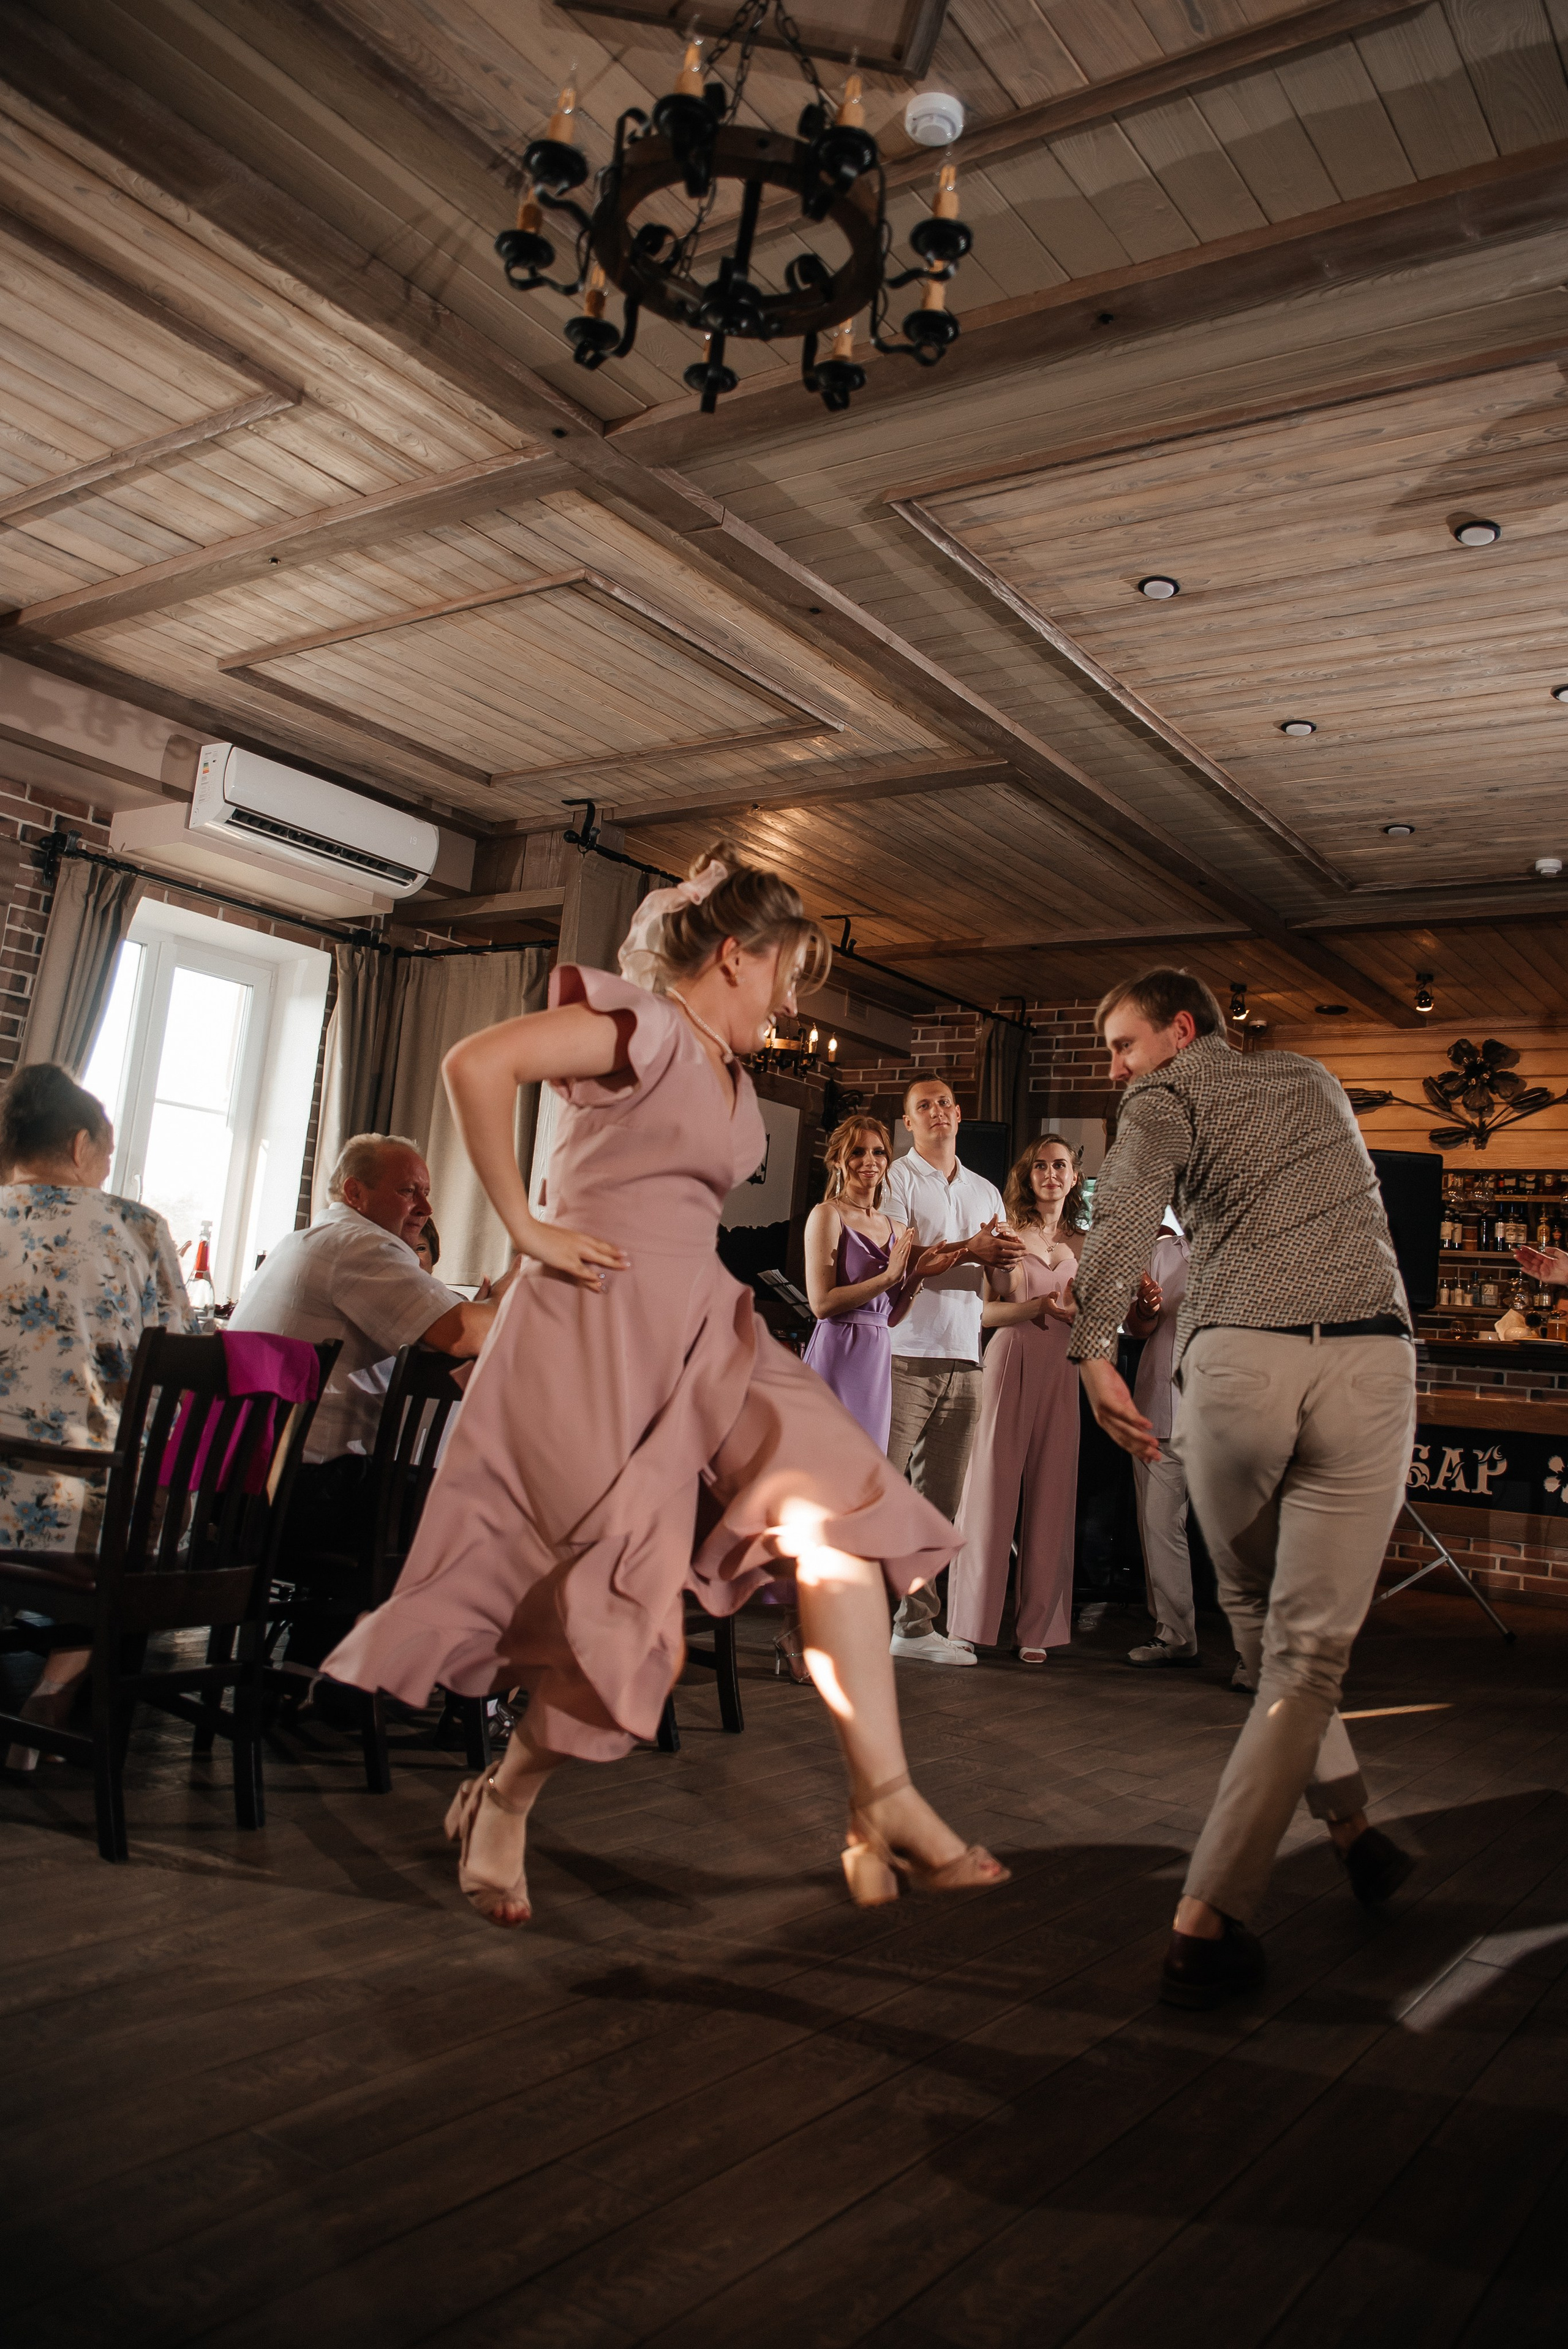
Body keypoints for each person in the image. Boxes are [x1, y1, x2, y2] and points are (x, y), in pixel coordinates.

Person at [323, 843, 1009, 1927]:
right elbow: (474, 1064)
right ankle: (504, 1799)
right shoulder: (633, 1026)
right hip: (594, 1334)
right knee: (617, 1618)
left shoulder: (730, 1067)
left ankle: (886, 1797)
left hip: (708, 1323)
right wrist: (525, 1223)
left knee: (840, 1512)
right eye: (783, 974)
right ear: (733, 956)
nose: (788, 1001)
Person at [1069, 968, 1418, 2009]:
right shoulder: (1315, 1078)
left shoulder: (1164, 1095)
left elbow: (1125, 1201)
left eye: (1124, 1045)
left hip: (1240, 1368)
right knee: (1296, 1652)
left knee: (1272, 1635)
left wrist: (1093, 1348)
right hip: (1372, 1360)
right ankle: (1353, 1831)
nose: (1116, 1068)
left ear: (1181, 1033)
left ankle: (1208, 1915)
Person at [228, 1134, 497, 1664]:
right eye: (408, 1191)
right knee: (495, 1514)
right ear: (355, 1191)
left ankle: (336, 1657)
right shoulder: (360, 1246)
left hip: (247, 1487)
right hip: (302, 1499)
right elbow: (463, 1333)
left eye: (426, 1192)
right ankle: (424, 1682)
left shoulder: (307, 1239)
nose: (425, 1207)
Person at [0, 1063, 189, 1769]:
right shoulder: (135, 1227)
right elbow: (176, 1365)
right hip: (84, 1511)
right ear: (82, 1145)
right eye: (107, 1154)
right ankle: (54, 1685)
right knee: (144, 1481)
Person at [883, 1077, 1025, 1665]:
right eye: (924, 1106)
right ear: (909, 1122)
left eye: (945, 1103)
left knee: (938, 1503)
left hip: (966, 1356)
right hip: (903, 1353)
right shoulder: (895, 1177)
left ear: (960, 1114)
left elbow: (1003, 1285)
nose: (937, 1111)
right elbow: (896, 1261)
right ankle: (847, 1619)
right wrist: (972, 1248)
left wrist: (1007, 1261)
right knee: (883, 1494)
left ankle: (914, 1628)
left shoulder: (987, 1190)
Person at [947, 1134, 1085, 1664]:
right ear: (1029, 1176)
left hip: (1065, 1366)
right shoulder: (1008, 1234)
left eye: (1062, 1165)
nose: (1052, 1173)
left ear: (1075, 1177)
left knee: (1054, 1494)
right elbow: (985, 1314)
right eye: (1042, 1166)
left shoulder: (1086, 1244)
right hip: (1012, 1356)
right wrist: (1037, 1306)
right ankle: (969, 1621)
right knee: (988, 1490)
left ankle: (1040, 1629)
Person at [1121, 1221, 1202, 1670]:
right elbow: (1136, 1327)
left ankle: (1257, 1653)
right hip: (1160, 1407)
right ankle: (1174, 1634)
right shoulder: (1162, 1252)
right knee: (1158, 1522)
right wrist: (1147, 1310)